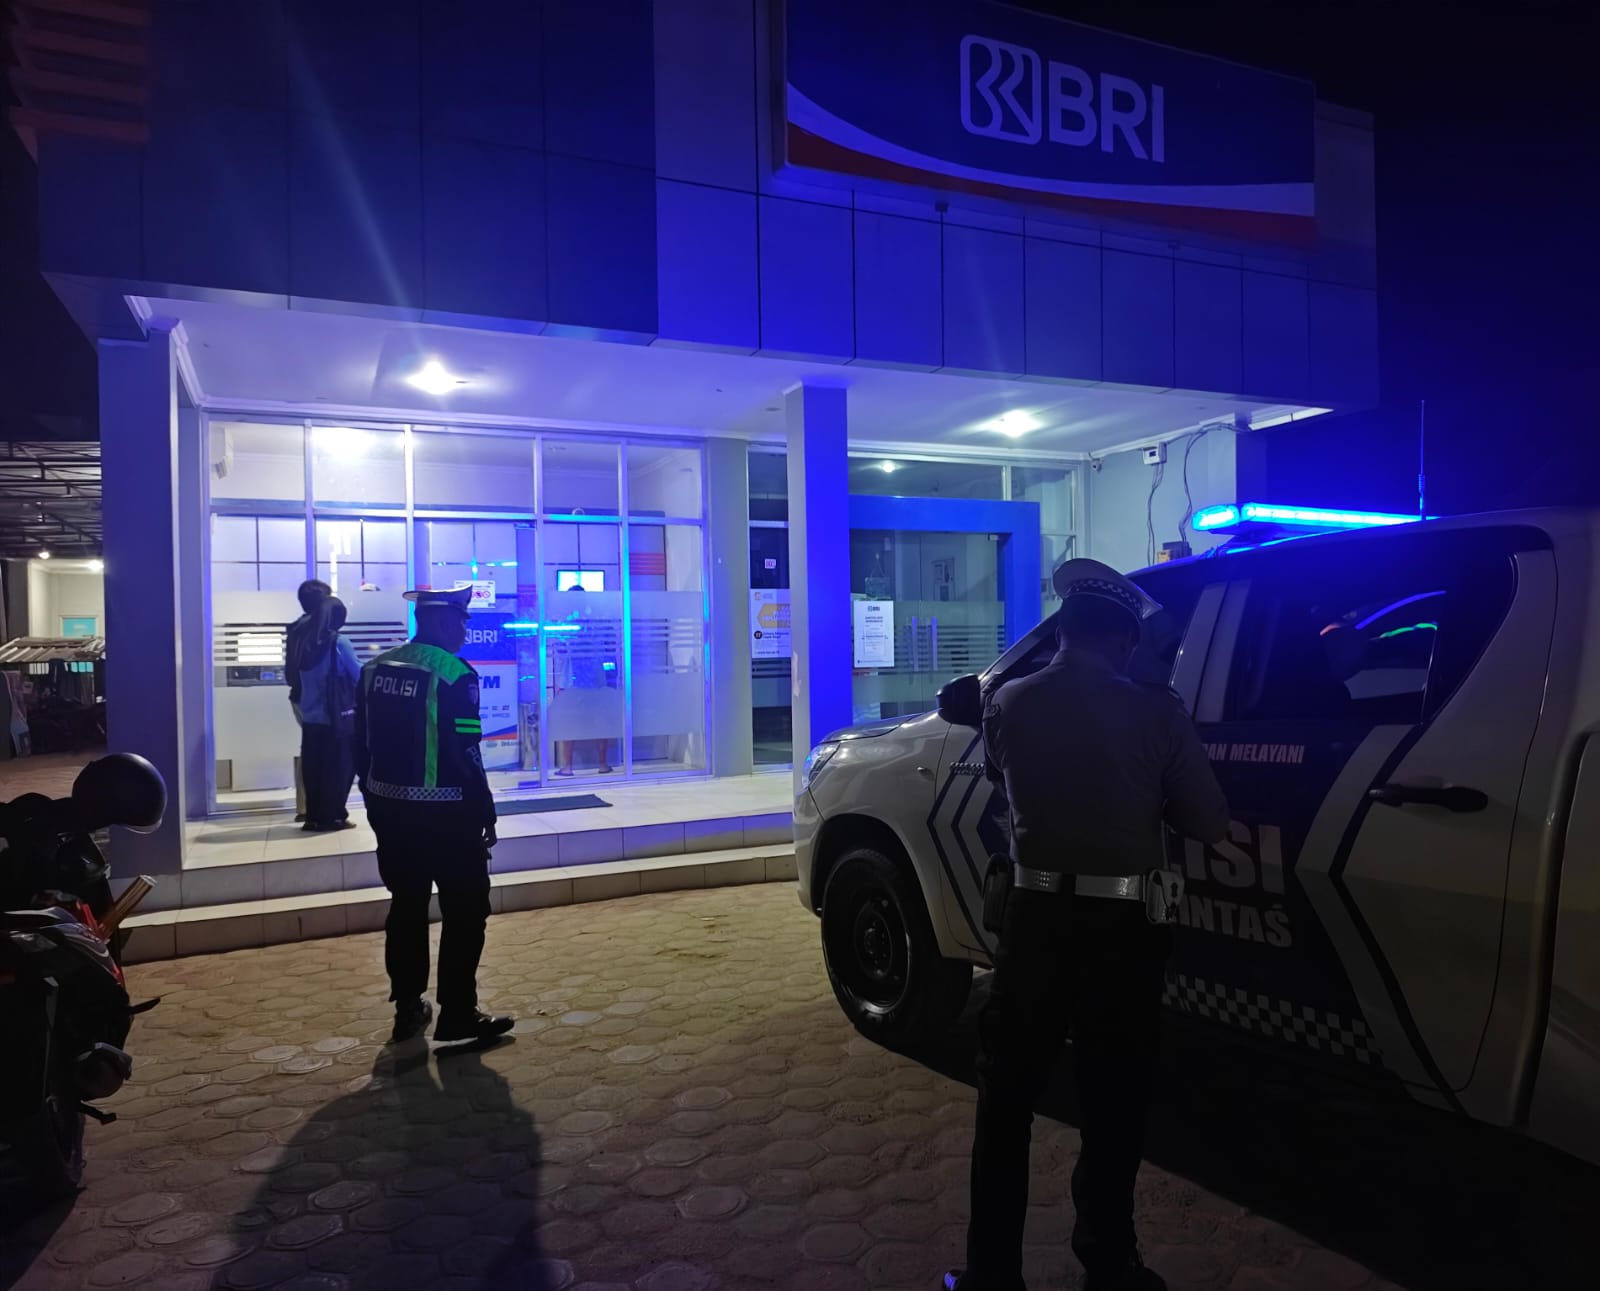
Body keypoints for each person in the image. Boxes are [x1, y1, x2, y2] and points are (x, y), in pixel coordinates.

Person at [947, 559, 1229, 1291]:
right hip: (1122, 928)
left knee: (1006, 1097)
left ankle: (990, 1273)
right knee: (1114, 1098)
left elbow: (1008, 782)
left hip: (1033, 919)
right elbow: (1209, 822)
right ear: (1125, 639)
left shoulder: (1007, 702)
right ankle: (1108, 1262)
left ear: (1063, 632)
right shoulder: (1157, 711)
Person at [354, 586, 514, 1045]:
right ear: (443, 622)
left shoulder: (375, 668)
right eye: (462, 622)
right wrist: (485, 809)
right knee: (466, 910)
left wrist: (372, 798)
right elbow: (467, 751)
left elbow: (359, 743)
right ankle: (458, 1013)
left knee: (406, 906)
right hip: (448, 816)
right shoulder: (454, 674)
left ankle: (408, 1008)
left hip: (391, 813)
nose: (464, 631)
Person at [296, 596, 359, 832]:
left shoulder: (305, 643)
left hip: (310, 718)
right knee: (339, 769)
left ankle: (313, 817)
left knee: (314, 770)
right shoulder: (339, 643)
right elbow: (358, 673)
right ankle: (333, 817)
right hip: (335, 717)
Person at [285, 579, 332, 822]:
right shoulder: (317, 631)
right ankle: (322, 806)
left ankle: (305, 806)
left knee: (309, 749)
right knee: (322, 752)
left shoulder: (296, 628)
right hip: (317, 699)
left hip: (299, 696)